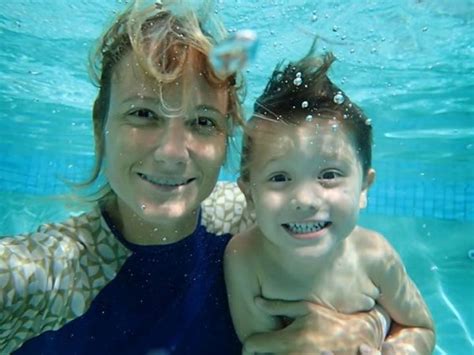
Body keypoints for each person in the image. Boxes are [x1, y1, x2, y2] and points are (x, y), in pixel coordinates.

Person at [1, 1, 394, 354]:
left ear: (226, 140)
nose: (172, 152)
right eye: (143, 113)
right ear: (99, 127)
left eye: (202, 121)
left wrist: (363, 327)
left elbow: (377, 289)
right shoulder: (48, 275)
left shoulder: (255, 215)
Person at [224, 45, 436, 354]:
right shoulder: (244, 259)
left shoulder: (375, 256)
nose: (306, 199)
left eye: (329, 175)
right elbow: (254, 343)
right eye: (280, 178)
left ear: (364, 187)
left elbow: (420, 327)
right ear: (250, 194)